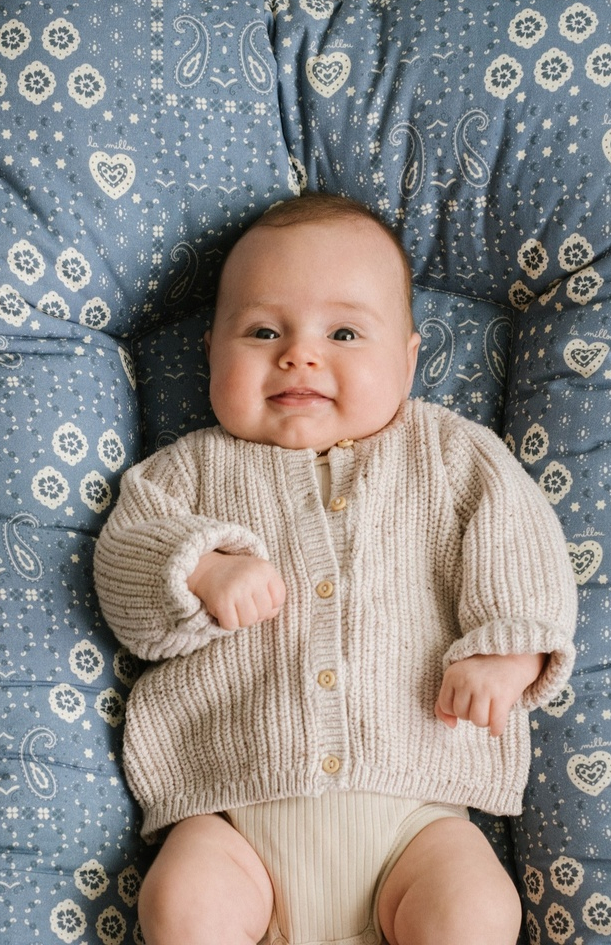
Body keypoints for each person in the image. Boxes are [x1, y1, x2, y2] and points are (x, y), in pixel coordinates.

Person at [93, 192, 578, 945]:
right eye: (263, 331)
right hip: (231, 814)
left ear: (408, 360)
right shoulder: (185, 471)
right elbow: (123, 566)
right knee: (181, 903)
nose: (300, 355)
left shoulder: (451, 454)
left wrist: (507, 653)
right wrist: (201, 570)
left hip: (416, 822)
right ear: (211, 353)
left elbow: (524, 548)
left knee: (477, 910)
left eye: (344, 332)